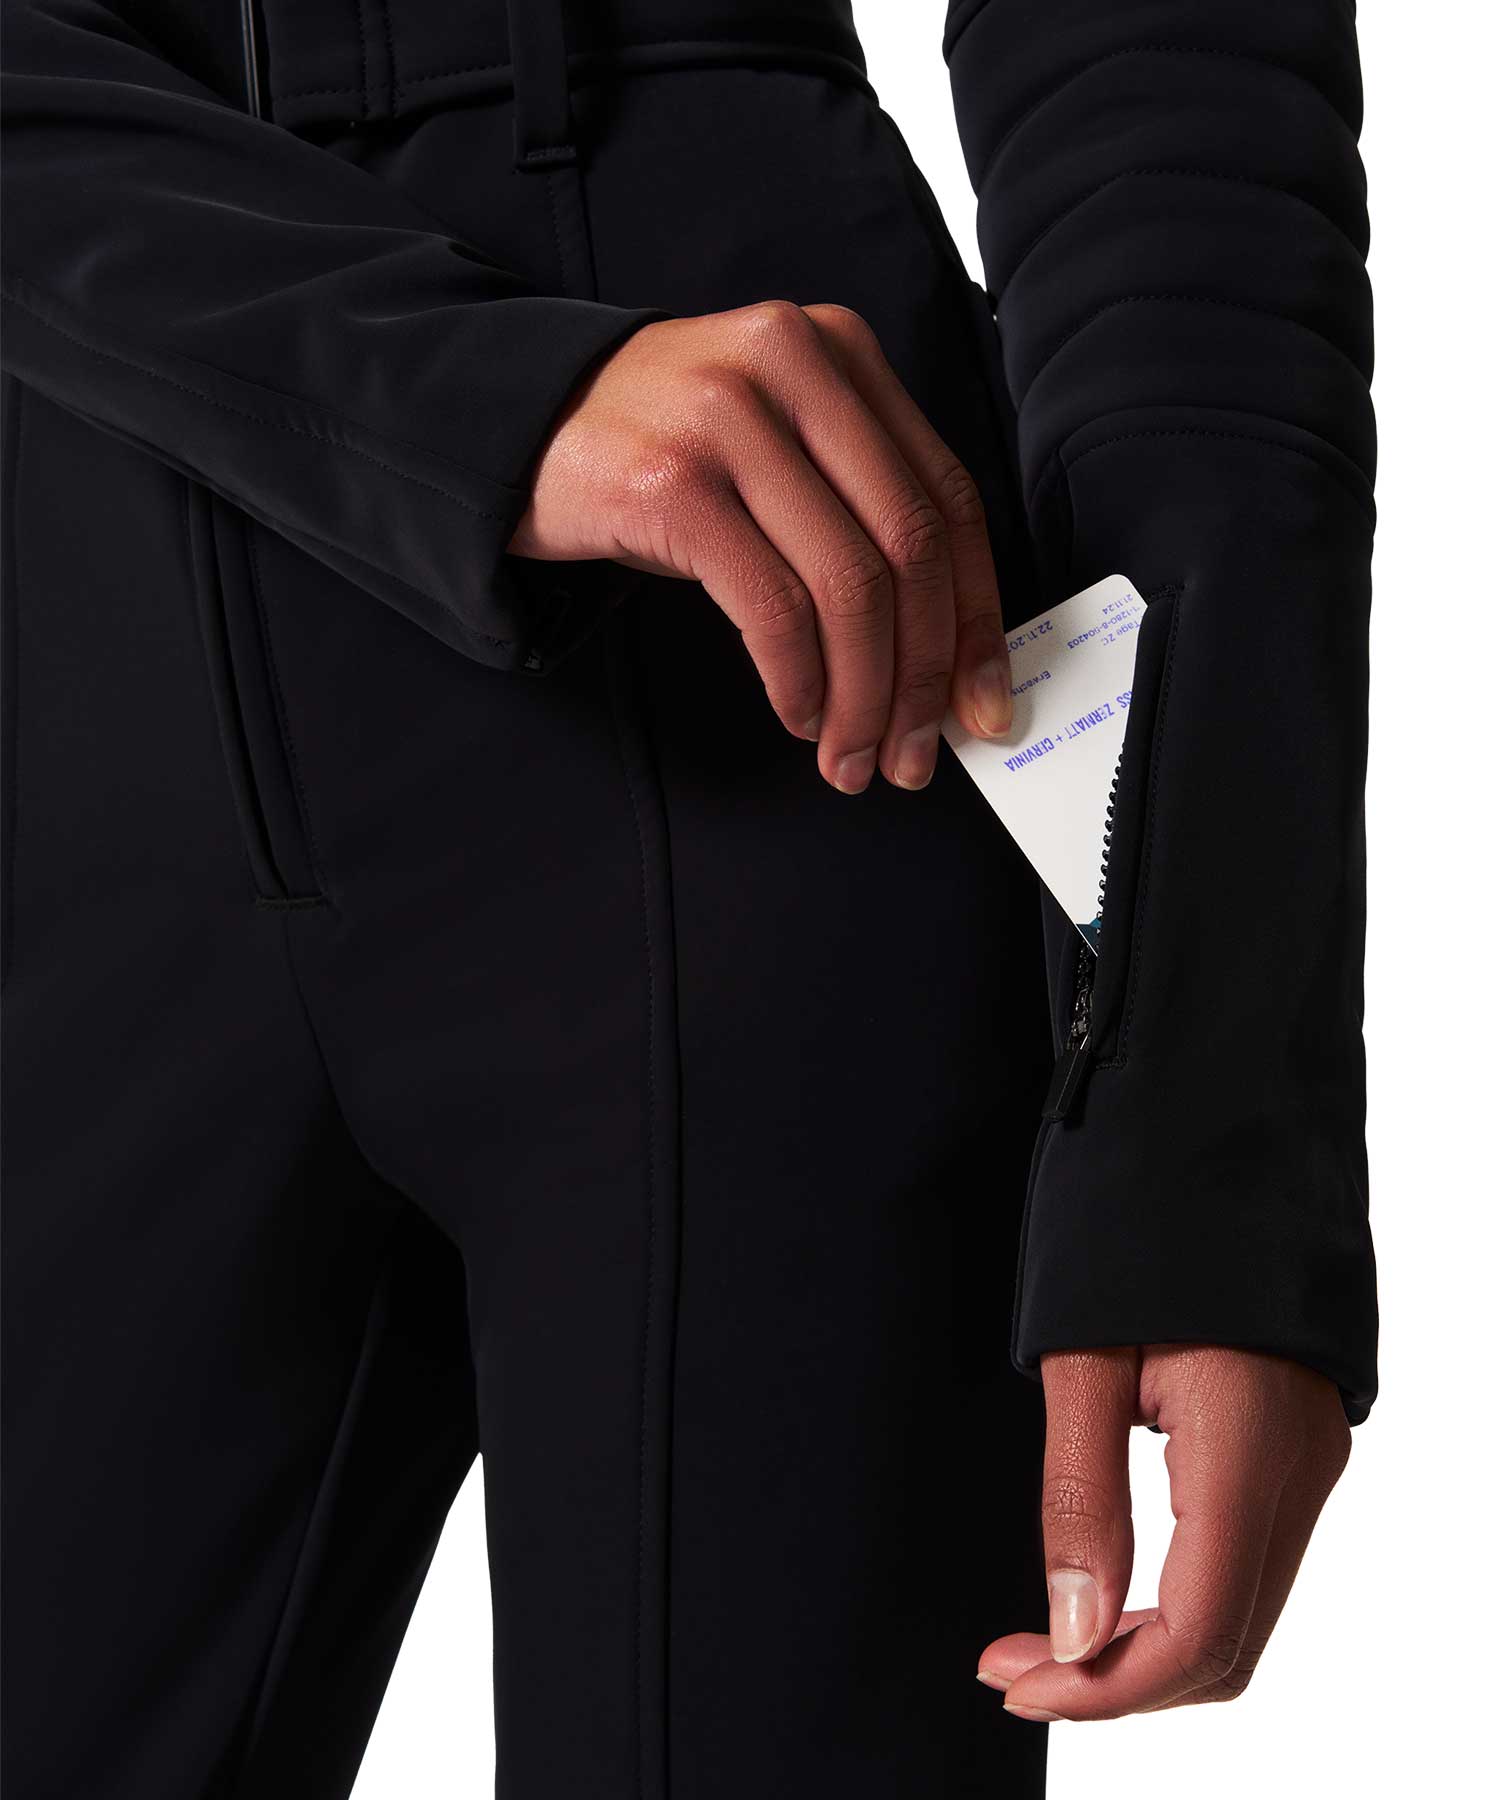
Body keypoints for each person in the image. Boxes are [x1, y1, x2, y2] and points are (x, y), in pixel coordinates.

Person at [0, 1, 1377, 1795]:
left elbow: (1164, 85)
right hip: (83, 620)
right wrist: (462, 386)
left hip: (789, 661)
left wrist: (1206, 1117)